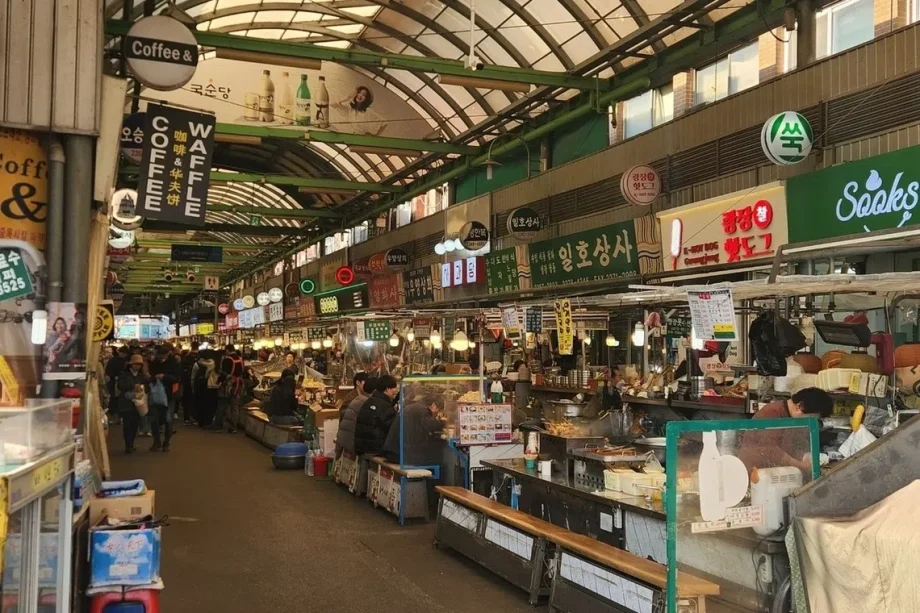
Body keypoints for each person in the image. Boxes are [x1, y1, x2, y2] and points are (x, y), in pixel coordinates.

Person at [738, 386, 833, 474]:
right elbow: (770, 450)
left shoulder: (792, 417)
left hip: (775, 471)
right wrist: (800, 465)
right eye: (812, 417)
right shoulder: (772, 413)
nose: (811, 421)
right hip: (756, 473)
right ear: (799, 407)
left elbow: (795, 445)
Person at [383, 395, 443, 465]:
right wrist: (441, 422)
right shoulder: (423, 410)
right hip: (400, 453)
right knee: (434, 459)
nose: (437, 413)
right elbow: (433, 426)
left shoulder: (412, 407)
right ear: (433, 405)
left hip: (393, 450)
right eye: (439, 409)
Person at [354, 374, 399, 457]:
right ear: (387, 389)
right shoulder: (385, 406)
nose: (395, 390)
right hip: (376, 449)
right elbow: (393, 429)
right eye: (394, 388)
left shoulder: (370, 401)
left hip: (362, 447)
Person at [149, 345, 180, 451]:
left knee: (168, 419)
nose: (160, 357)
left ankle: (166, 443)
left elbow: (177, 378)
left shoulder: (173, 363)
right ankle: (156, 442)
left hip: (169, 395)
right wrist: (154, 378)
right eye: (159, 355)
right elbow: (150, 376)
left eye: (162, 355)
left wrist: (165, 376)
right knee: (154, 419)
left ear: (167, 354)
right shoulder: (154, 363)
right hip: (155, 394)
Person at [117, 354, 149, 454]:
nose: (137, 366)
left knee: (135, 424)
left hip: (138, 403)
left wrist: (143, 387)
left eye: (139, 365)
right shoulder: (124, 374)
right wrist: (132, 387)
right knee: (127, 424)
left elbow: (148, 387)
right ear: (131, 364)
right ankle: (128, 445)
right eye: (136, 364)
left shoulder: (141, 375)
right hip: (127, 402)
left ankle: (131, 444)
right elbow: (120, 386)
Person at [338, 375, 373, 456]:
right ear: (357, 382)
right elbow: (343, 414)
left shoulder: (364, 396)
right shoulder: (351, 397)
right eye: (364, 382)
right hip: (349, 436)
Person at [212, 344, 244, 433]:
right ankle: (234, 427)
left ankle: (218, 425)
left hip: (227, 386)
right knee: (235, 406)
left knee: (222, 405)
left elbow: (223, 374)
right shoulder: (240, 359)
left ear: (227, 350)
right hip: (238, 385)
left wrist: (218, 381)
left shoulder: (227, 360)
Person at [192, 350, 219, 428]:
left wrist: (193, 388)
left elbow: (193, 377)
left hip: (200, 386)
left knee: (200, 404)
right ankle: (209, 421)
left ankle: (201, 421)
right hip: (212, 387)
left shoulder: (197, 363)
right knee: (211, 404)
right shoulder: (215, 363)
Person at [179, 341, 200, 424]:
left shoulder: (186, 357)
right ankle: (195, 418)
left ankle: (186, 418)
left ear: (191, 346)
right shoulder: (200, 357)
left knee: (186, 399)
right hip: (197, 382)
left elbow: (181, 370)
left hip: (186, 382)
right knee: (196, 399)